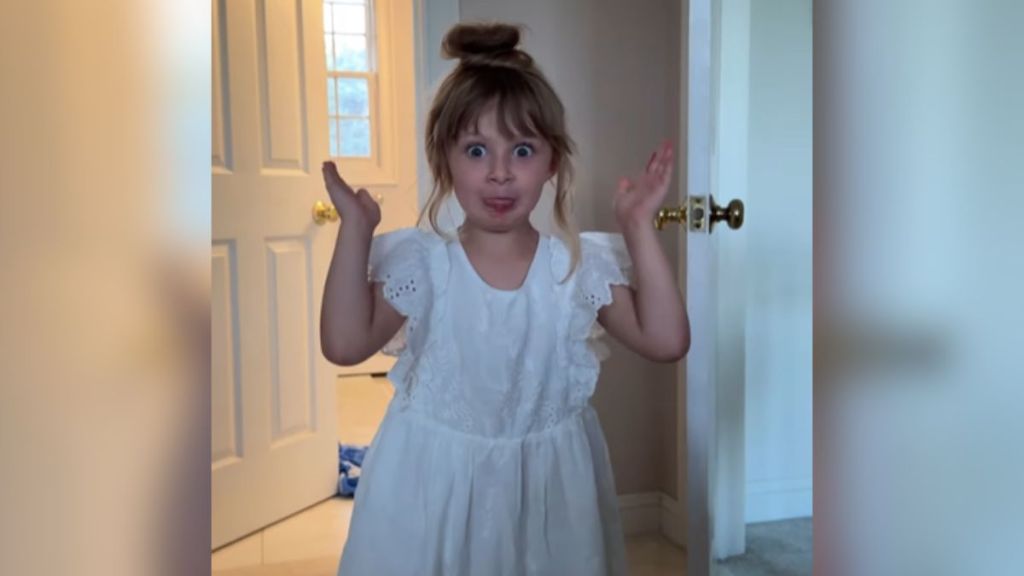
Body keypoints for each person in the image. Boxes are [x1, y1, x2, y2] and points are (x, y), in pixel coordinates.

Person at [321, 21, 690, 576]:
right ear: (444, 160)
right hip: (429, 499)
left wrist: (639, 226)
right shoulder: (424, 266)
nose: (498, 173)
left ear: (552, 163)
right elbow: (344, 345)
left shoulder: (576, 267)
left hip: (548, 507)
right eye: (475, 149)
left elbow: (667, 341)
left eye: (521, 149)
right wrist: (355, 230)